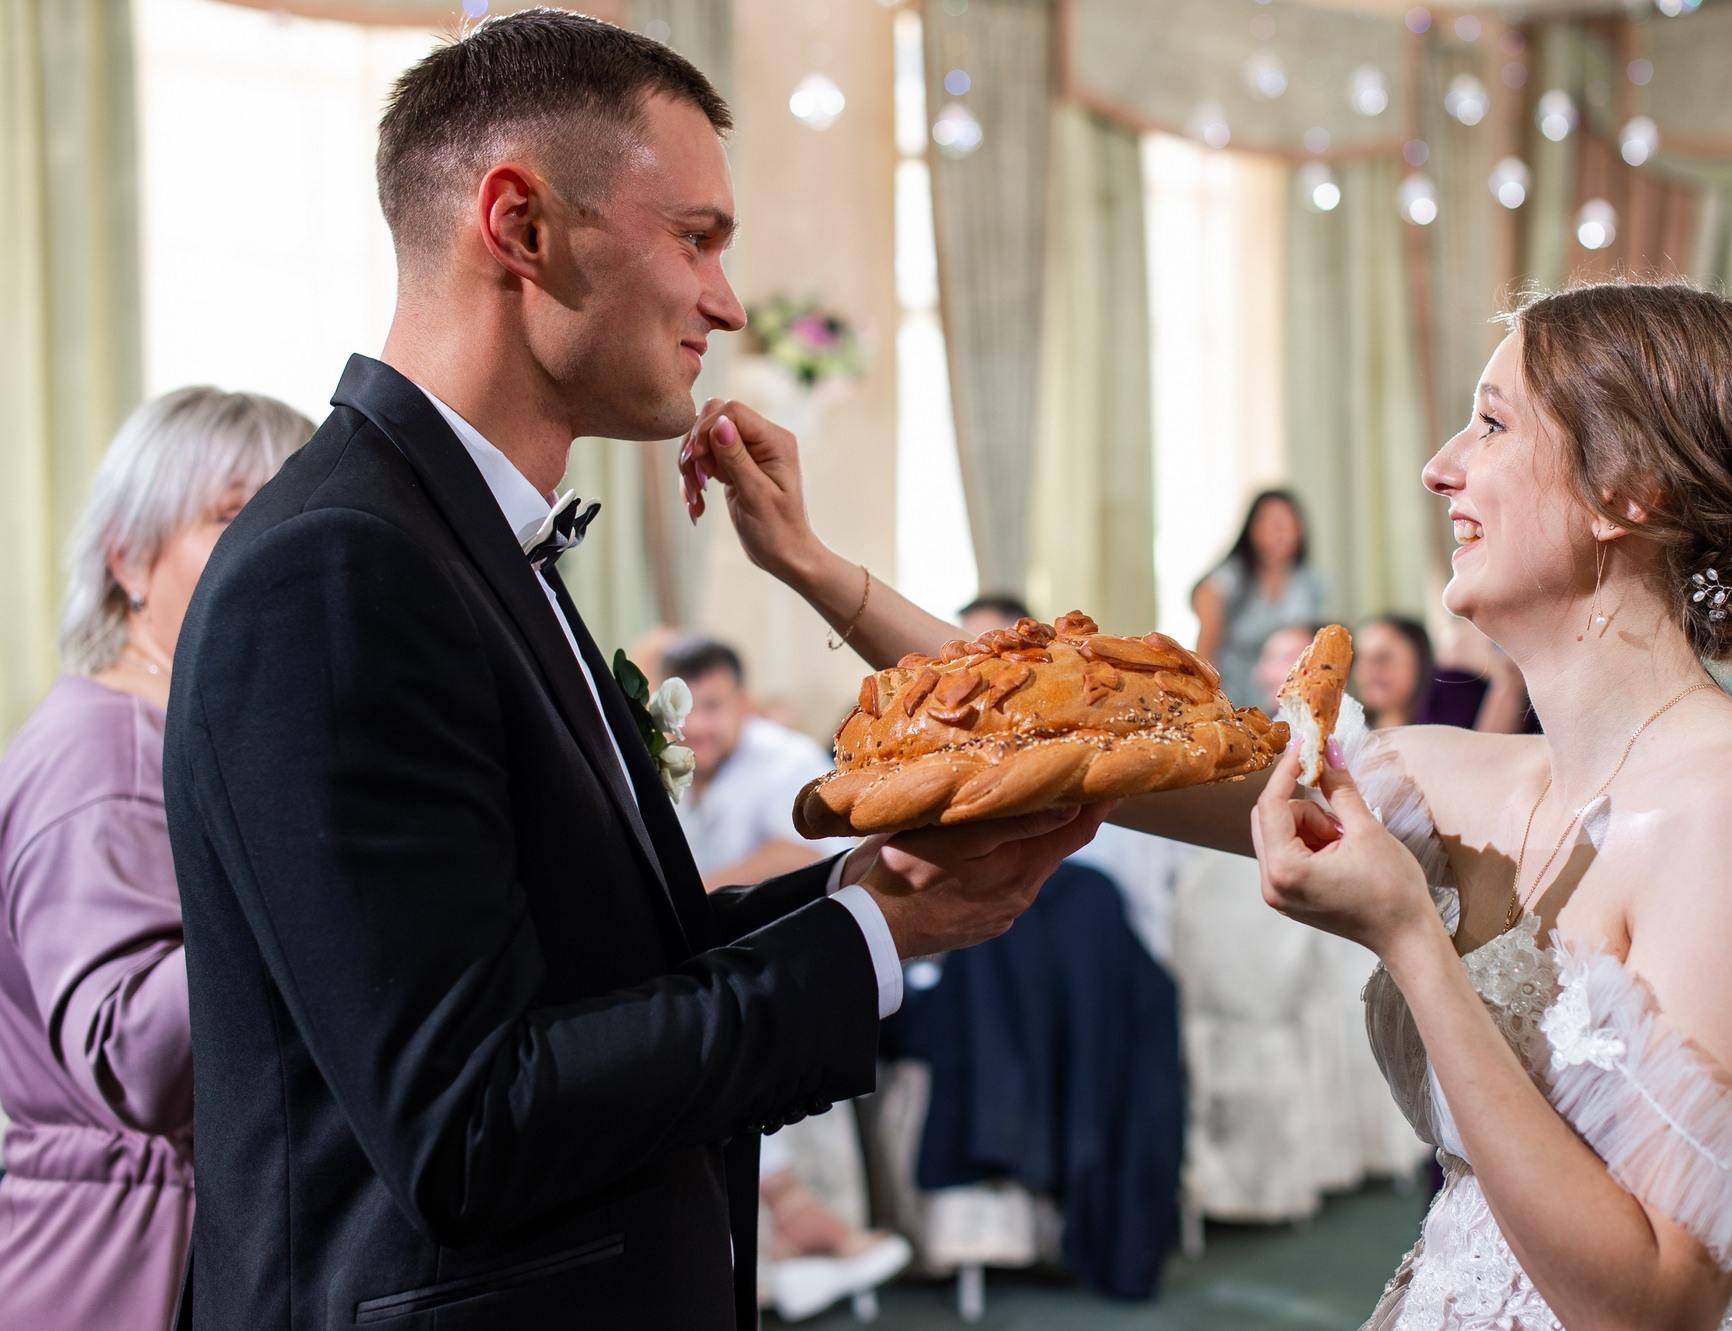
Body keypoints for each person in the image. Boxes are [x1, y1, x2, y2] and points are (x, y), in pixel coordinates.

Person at [162, 15, 1104, 1331]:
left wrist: (872, 886)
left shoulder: (455, 541)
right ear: (523, 226)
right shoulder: (336, 569)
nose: (726, 301)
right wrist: (873, 942)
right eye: (698, 238)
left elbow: (601, 970)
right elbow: (470, 1119)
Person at [1246, 281, 1732, 1328]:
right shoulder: (1461, 776)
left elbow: (1662, 1305)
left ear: (1627, 490)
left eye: (1489, 422)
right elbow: (1121, 765)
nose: (1439, 467)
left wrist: (1408, 936)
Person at [0, 387, 309, 1331]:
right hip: (116, 1266)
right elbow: (134, 1057)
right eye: (230, 517)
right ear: (128, 558)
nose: (269, 549)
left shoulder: (163, 730)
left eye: (287, 516)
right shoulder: (113, 746)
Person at [665, 637, 838, 889]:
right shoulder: (673, 764)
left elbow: (806, 855)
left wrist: (693, 895)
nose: (694, 725)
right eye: (680, 709)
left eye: (711, 706)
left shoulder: (788, 757)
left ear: (743, 704)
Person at [1191, 490, 1324, 706]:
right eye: (1271, 523)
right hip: (1230, 695)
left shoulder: (1310, 583)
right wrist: (1202, 696)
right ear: (1252, 530)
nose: (1281, 531)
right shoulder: (1228, 579)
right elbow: (1206, 639)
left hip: (1287, 696)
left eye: (1288, 522)